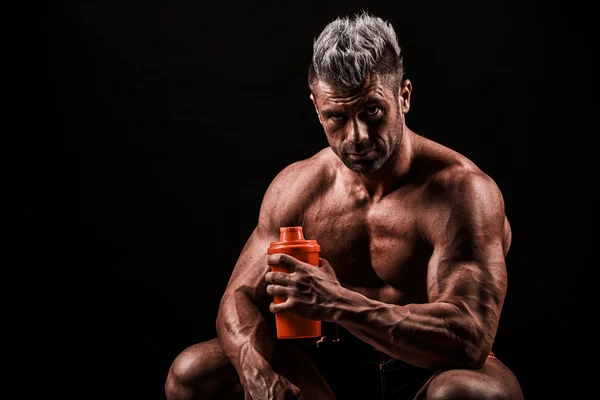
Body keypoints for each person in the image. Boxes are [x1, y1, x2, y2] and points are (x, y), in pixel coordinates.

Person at [165, 11, 524, 400]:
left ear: (403, 96)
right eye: (337, 116)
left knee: (471, 393)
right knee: (194, 372)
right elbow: (238, 298)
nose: (357, 136)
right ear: (316, 108)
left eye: (371, 111)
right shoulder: (299, 187)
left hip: (428, 370)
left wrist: (338, 303)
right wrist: (256, 374)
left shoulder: (461, 193)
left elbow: (468, 337)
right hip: (324, 372)